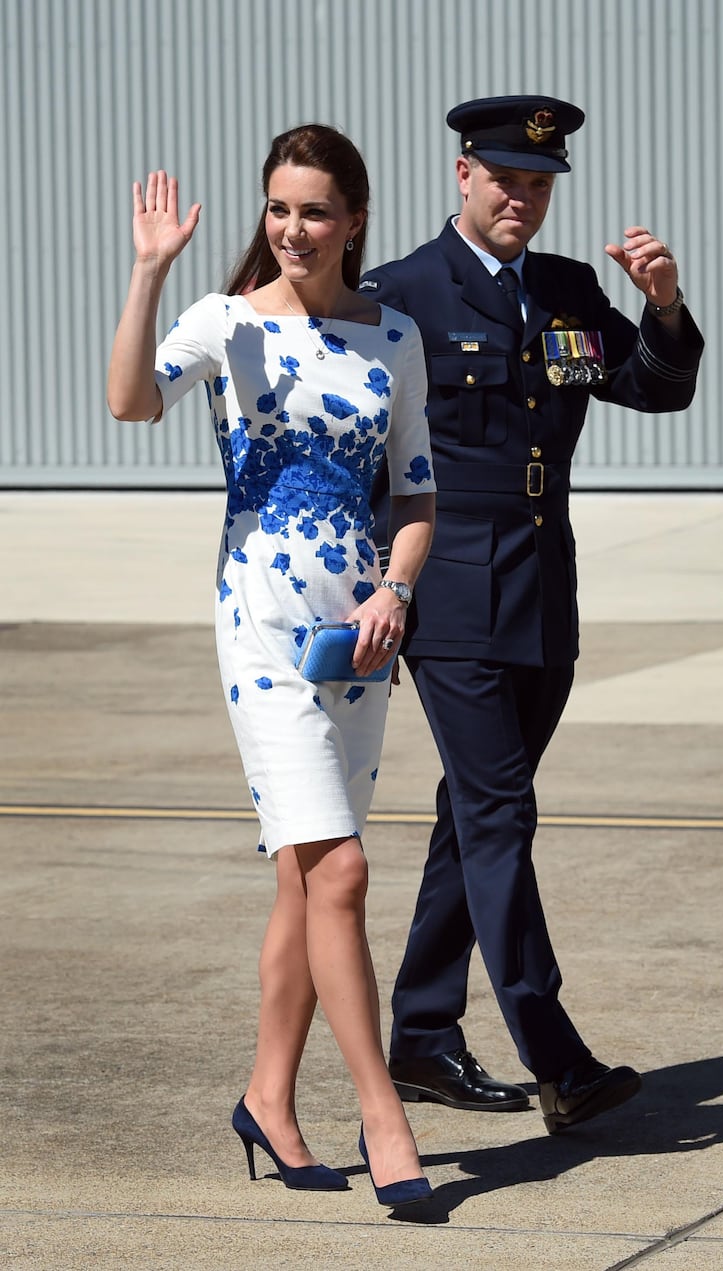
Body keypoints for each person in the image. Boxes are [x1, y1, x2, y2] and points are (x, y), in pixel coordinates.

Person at [107, 124, 437, 1206]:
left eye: (314, 212)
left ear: (353, 221)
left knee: (304, 881)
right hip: (256, 623)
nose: (292, 230)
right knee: (341, 871)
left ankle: (267, 1096)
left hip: (357, 633)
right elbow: (130, 401)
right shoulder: (227, 323)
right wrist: (151, 271)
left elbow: (418, 493)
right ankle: (384, 1115)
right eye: (278, 209)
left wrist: (395, 589)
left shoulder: (392, 337)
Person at [360, 95, 704, 1132]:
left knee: (473, 819)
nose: (522, 197)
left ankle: (420, 1036)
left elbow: (652, 388)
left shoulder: (565, 288)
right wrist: (373, 582)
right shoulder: (399, 294)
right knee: (501, 810)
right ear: (461, 174)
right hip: (448, 589)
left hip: (542, 593)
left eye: (539, 183)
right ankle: (556, 1056)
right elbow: (354, 448)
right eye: (505, 177)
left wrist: (662, 305)